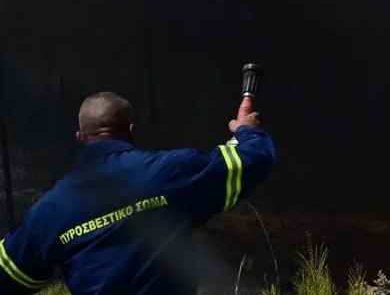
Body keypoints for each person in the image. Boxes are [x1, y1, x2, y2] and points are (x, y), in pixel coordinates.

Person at [0, 91, 276, 294]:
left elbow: (9, 275)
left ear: (80, 138)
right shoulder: (170, 172)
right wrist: (246, 131)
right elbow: (252, 159)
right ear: (131, 130)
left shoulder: (50, 209)